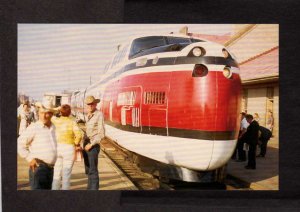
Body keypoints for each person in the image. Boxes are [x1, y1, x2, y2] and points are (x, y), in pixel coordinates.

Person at [17, 99, 59, 190]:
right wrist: (29, 158)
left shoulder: (54, 127)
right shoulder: (34, 127)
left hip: (51, 170)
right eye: (41, 113)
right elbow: (19, 144)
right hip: (39, 169)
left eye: (46, 113)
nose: (43, 116)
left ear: (51, 114)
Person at [51, 104, 83, 190]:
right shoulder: (72, 121)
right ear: (69, 113)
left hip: (57, 148)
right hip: (69, 149)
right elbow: (79, 135)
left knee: (56, 174)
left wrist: (56, 109)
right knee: (66, 175)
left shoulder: (55, 120)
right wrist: (76, 143)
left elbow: (50, 112)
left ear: (60, 112)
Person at [82, 96, 105, 190]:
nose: (90, 106)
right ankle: (89, 190)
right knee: (88, 169)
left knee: (93, 170)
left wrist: (91, 144)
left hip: (92, 145)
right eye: (88, 104)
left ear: (95, 104)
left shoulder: (99, 114)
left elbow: (101, 133)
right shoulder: (88, 114)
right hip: (86, 143)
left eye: (92, 104)